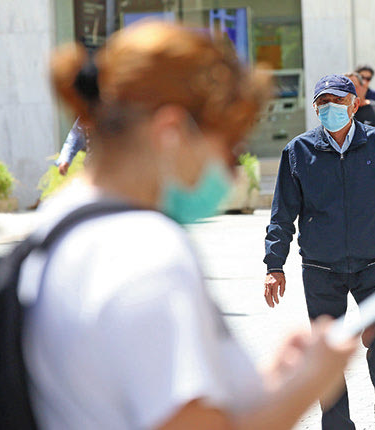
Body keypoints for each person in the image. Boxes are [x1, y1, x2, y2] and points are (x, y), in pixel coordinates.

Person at [20, 21, 357, 430]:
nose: (232, 173)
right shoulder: (149, 256)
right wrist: (306, 384)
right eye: (229, 148)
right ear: (172, 133)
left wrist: (269, 381)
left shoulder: (56, 223)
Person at [263, 73, 375, 429]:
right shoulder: (298, 151)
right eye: (323, 103)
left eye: (337, 101)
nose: (330, 109)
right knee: (326, 353)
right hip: (321, 267)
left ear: (354, 105)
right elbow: (282, 215)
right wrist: (275, 265)